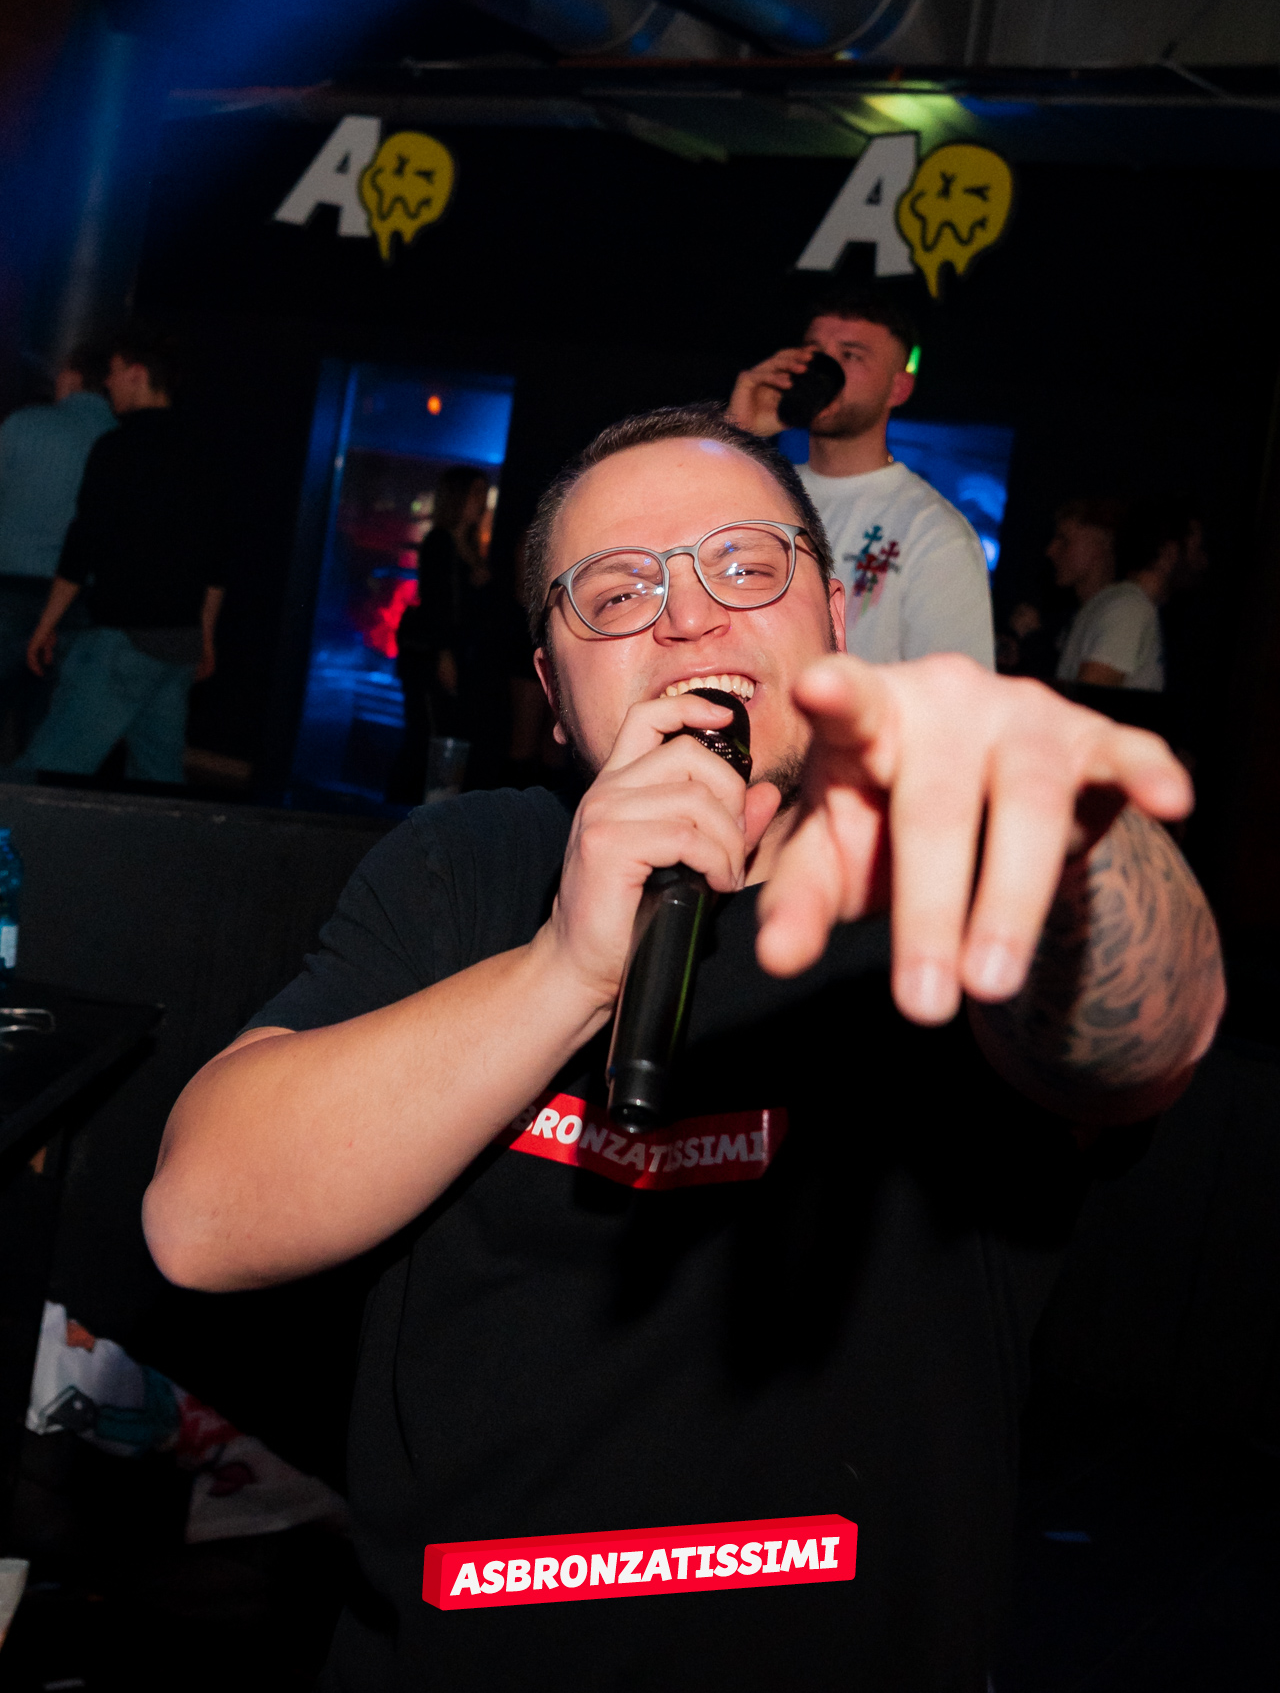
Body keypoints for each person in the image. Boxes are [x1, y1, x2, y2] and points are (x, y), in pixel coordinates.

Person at [143, 408, 1222, 1693]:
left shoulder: (941, 875)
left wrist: (1069, 838)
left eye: (745, 567)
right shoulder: (467, 867)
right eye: (615, 594)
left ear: (834, 619)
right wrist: (564, 969)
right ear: (551, 694)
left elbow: (1144, 1043)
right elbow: (201, 1221)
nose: (689, 618)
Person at [726, 285, 995, 666]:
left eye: (850, 355)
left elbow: (957, 692)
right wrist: (737, 436)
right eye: (815, 351)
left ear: (898, 388)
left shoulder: (933, 532)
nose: (825, 368)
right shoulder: (763, 491)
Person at [18, 331, 225, 785]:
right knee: (158, 779)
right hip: (178, 642)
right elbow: (216, 558)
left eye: (112, 373)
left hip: (123, 637)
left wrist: (46, 623)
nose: (107, 384)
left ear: (136, 374)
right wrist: (205, 636)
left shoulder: (117, 447)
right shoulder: (206, 451)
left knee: (47, 771)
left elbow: (83, 544)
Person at [0, 345, 115, 748]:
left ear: (72, 376)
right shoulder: (117, 438)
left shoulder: (24, 423)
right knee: (50, 721)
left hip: (9, 584)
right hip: (81, 595)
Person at [389, 466, 491, 803]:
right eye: (475, 492)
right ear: (458, 496)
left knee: (442, 737)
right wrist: (444, 654)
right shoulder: (439, 541)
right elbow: (438, 602)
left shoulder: (470, 546)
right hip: (433, 654)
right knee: (427, 736)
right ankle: (401, 812)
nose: (481, 501)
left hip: (456, 653)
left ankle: (426, 810)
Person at [1051, 496, 1168, 692]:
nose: (1051, 550)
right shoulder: (1089, 609)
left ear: (1102, 542)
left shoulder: (1126, 608)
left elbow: (1090, 701)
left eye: (1065, 540)